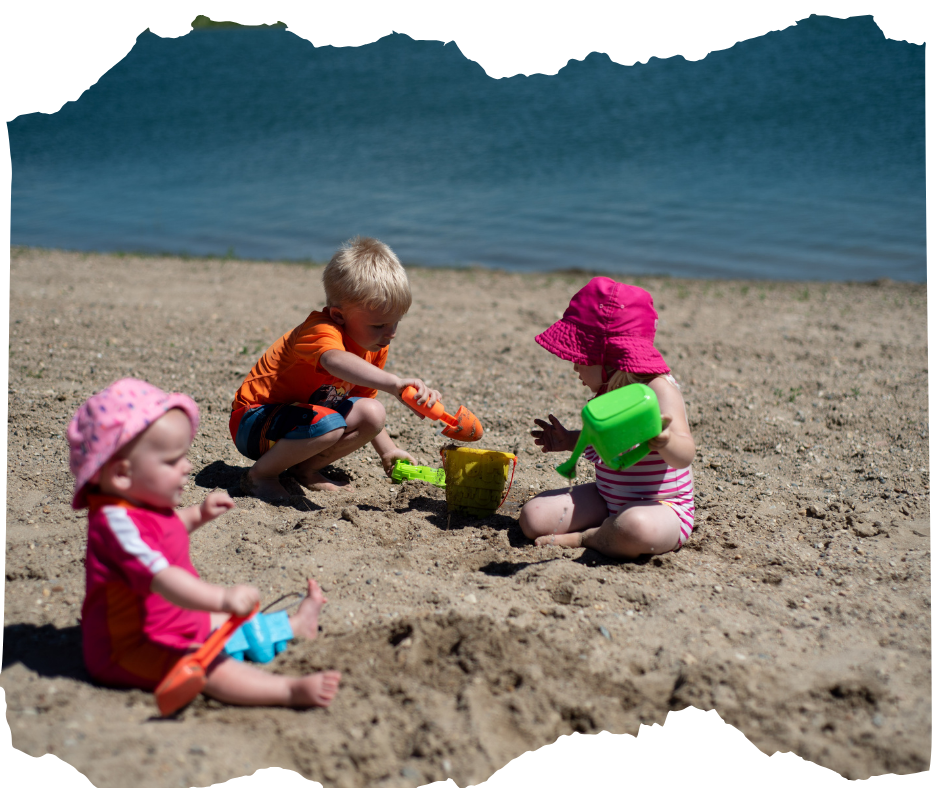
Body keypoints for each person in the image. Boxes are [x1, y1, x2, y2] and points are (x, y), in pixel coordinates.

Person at [68, 378, 342, 708]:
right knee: (209, 664)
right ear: (123, 473)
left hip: (166, 619)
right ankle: (287, 691)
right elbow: (164, 579)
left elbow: (165, 531)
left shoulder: (135, 504)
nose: (186, 467)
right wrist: (221, 597)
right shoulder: (115, 526)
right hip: (130, 646)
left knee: (228, 623)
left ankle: (295, 626)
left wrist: (198, 514)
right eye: (172, 461)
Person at [231, 236, 440, 501]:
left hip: (303, 424)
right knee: (329, 423)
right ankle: (259, 476)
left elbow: (361, 400)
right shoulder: (320, 329)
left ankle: (304, 470)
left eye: (396, 322)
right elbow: (333, 360)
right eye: (379, 325)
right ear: (339, 316)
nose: (391, 333)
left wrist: (388, 451)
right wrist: (393, 384)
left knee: (372, 412)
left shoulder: (374, 345)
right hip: (253, 421)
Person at [519, 277, 695, 558]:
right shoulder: (606, 391)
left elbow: (685, 454)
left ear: (610, 358)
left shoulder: (659, 390)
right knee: (533, 517)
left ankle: (588, 537)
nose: (574, 364)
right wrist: (570, 440)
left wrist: (665, 440)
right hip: (607, 498)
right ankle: (608, 527)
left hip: (662, 508)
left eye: (581, 356)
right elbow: (607, 442)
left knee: (634, 528)